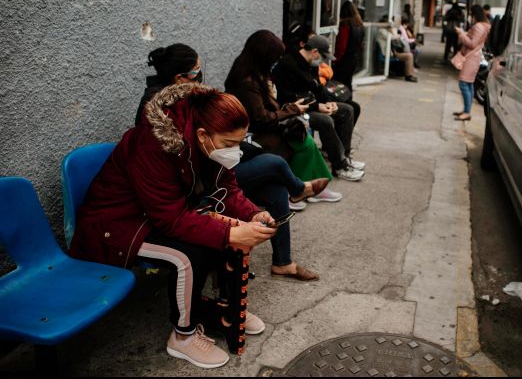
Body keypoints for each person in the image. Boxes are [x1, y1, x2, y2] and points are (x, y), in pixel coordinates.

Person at [70, 84, 276, 369]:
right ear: (202, 135)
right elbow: (171, 218)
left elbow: (227, 189)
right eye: (229, 143)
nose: (235, 151)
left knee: (220, 237)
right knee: (188, 256)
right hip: (116, 224)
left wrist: (253, 215)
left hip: (154, 213)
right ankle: (183, 337)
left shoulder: (208, 138)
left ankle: (226, 310)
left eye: (239, 143)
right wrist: (231, 232)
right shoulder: (152, 143)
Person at [136, 44, 328, 280]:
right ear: (179, 78)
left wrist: (254, 214)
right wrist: (230, 233)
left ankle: (283, 262)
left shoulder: (199, 107)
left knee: (276, 189)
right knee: (274, 163)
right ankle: (298, 190)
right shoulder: (159, 123)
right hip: (187, 192)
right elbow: (173, 210)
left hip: (201, 178)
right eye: (196, 72)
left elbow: (224, 180)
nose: (200, 77)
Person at [225, 30, 345, 210]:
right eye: (274, 59)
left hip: (260, 127)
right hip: (251, 134)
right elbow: (261, 119)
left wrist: (290, 109)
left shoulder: (254, 73)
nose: (276, 62)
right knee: (301, 140)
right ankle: (297, 189)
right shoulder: (247, 81)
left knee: (304, 137)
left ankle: (307, 187)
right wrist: (292, 110)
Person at [273, 34, 366, 181]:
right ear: (314, 52)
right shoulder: (288, 65)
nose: (323, 61)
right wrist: (317, 106)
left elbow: (317, 88)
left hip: (311, 105)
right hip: (292, 110)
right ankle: (340, 167)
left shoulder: (311, 64)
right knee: (325, 121)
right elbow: (290, 98)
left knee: (348, 110)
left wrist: (328, 102)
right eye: (322, 57)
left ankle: (344, 157)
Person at [453, 4, 491, 122]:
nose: (470, 16)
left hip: (471, 58)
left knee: (464, 83)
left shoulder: (479, 26)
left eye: (471, 14)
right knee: (469, 83)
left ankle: (467, 112)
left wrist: (461, 34)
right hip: (474, 57)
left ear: (475, 14)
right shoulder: (485, 25)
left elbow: (472, 44)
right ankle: (466, 110)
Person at [332, 1, 365, 92]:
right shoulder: (359, 24)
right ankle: (349, 100)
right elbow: (361, 44)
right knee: (348, 83)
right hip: (354, 59)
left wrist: (334, 59)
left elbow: (341, 47)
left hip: (344, 60)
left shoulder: (345, 25)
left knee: (338, 85)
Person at [376, 17, 418, 82]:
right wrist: (393, 31)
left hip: (391, 52)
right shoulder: (381, 31)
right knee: (409, 56)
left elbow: (396, 38)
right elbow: (393, 37)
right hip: (387, 53)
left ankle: (409, 74)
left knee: (409, 54)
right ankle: (408, 75)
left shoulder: (384, 31)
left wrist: (393, 32)